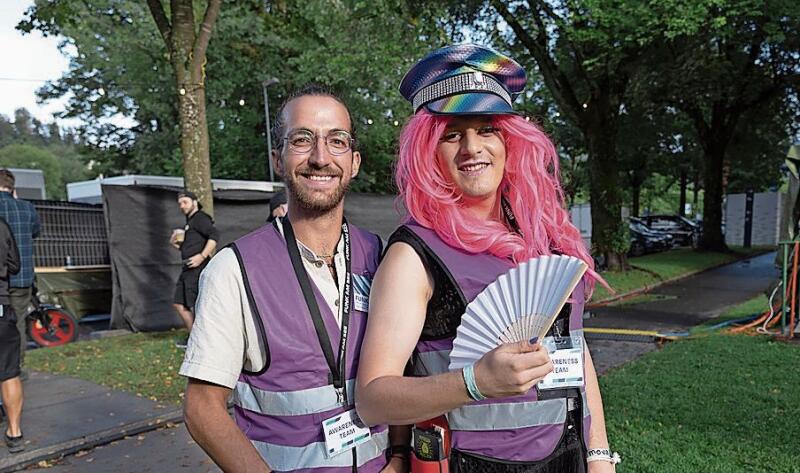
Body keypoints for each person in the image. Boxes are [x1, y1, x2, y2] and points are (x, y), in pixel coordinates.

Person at [356, 45, 618, 472]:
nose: (472, 148)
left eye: (487, 129)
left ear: (510, 140)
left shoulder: (544, 234)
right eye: (452, 134)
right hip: (474, 464)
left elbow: (575, 348)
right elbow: (372, 400)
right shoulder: (414, 255)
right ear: (428, 151)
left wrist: (601, 455)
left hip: (569, 459)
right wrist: (474, 381)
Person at [179, 84, 401, 472]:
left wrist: (398, 457)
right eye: (302, 139)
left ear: (354, 162)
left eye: (337, 141)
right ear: (278, 160)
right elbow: (202, 408)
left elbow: (402, 375)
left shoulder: (381, 256)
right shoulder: (235, 268)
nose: (320, 157)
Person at [0, 169, 40, 370]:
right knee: (17, 324)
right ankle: (16, 368)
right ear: (12, 186)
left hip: (2, 281)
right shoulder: (27, 208)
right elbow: (35, 232)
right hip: (22, 278)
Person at [170, 190, 218, 347]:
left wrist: (201, 256)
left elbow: (214, 236)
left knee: (198, 305)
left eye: (185, 202)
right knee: (179, 303)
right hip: (187, 268)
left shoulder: (200, 218)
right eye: (180, 203)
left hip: (198, 268)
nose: (182, 206)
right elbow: (188, 247)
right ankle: (194, 338)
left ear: (194, 202)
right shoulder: (189, 222)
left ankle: (204, 341)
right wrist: (175, 243)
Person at [0, 216, 23, 453]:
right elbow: (14, 265)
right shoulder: (1, 225)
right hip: (0, 306)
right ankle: (15, 432)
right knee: (8, 372)